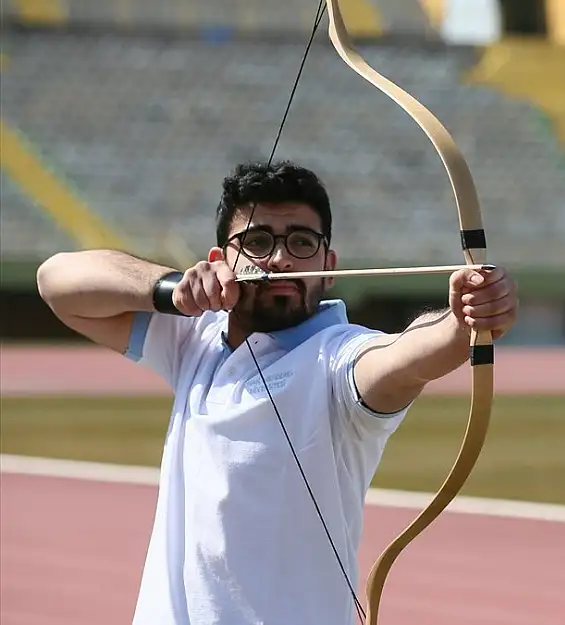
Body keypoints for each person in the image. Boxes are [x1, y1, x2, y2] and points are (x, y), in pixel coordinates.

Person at [36, 161, 519, 625]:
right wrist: (170, 289)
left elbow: (405, 356)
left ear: (328, 268)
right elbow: (56, 280)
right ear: (221, 261)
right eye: (258, 242)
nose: (281, 258)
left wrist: (461, 323)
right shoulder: (192, 339)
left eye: (302, 243)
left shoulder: (340, 358)